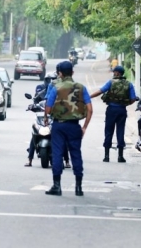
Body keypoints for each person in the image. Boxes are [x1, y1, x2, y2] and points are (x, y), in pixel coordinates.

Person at [44, 61, 93, 196]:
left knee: (57, 154)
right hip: (74, 126)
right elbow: (90, 110)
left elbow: (47, 109)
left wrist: (47, 115)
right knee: (76, 154)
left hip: (58, 126)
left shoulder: (56, 88)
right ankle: (78, 187)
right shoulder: (82, 88)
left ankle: (57, 186)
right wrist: (84, 127)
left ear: (60, 73)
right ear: (72, 73)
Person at [90, 65, 136, 163]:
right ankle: (120, 156)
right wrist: (124, 104)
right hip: (122, 110)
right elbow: (132, 99)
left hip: (111, 110)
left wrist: (89, 96)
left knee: (108, 131)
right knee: (120, 132)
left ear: (118, 73)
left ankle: (106, 156)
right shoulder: (129, 84)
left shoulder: (110, 82)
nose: (113, 73)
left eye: (114, 72)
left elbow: (100, 91)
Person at [25, 72, 71, 168]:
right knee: (34, 134)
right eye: (48, 80)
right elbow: (39, 101)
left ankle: (66, 160)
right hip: (42, 116)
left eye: (53, 79)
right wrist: (33, 106)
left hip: (56, 116)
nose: (51, 82)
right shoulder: (41, 88)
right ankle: (29, 159)